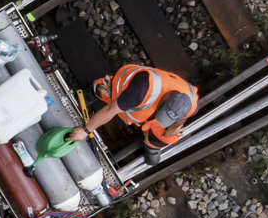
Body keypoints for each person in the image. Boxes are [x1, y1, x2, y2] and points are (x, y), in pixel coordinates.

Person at [67, 64, 198, 165]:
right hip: (125, 88)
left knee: (171, 136)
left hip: (145, 109)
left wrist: (172, 129)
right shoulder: (142, 90)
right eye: (162, 111)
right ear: (168, 96)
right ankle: (92, 92)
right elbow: (110, 110)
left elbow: (185, 116)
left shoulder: (190, 102)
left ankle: (152, 145)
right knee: (108, 92)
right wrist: (85, 130)